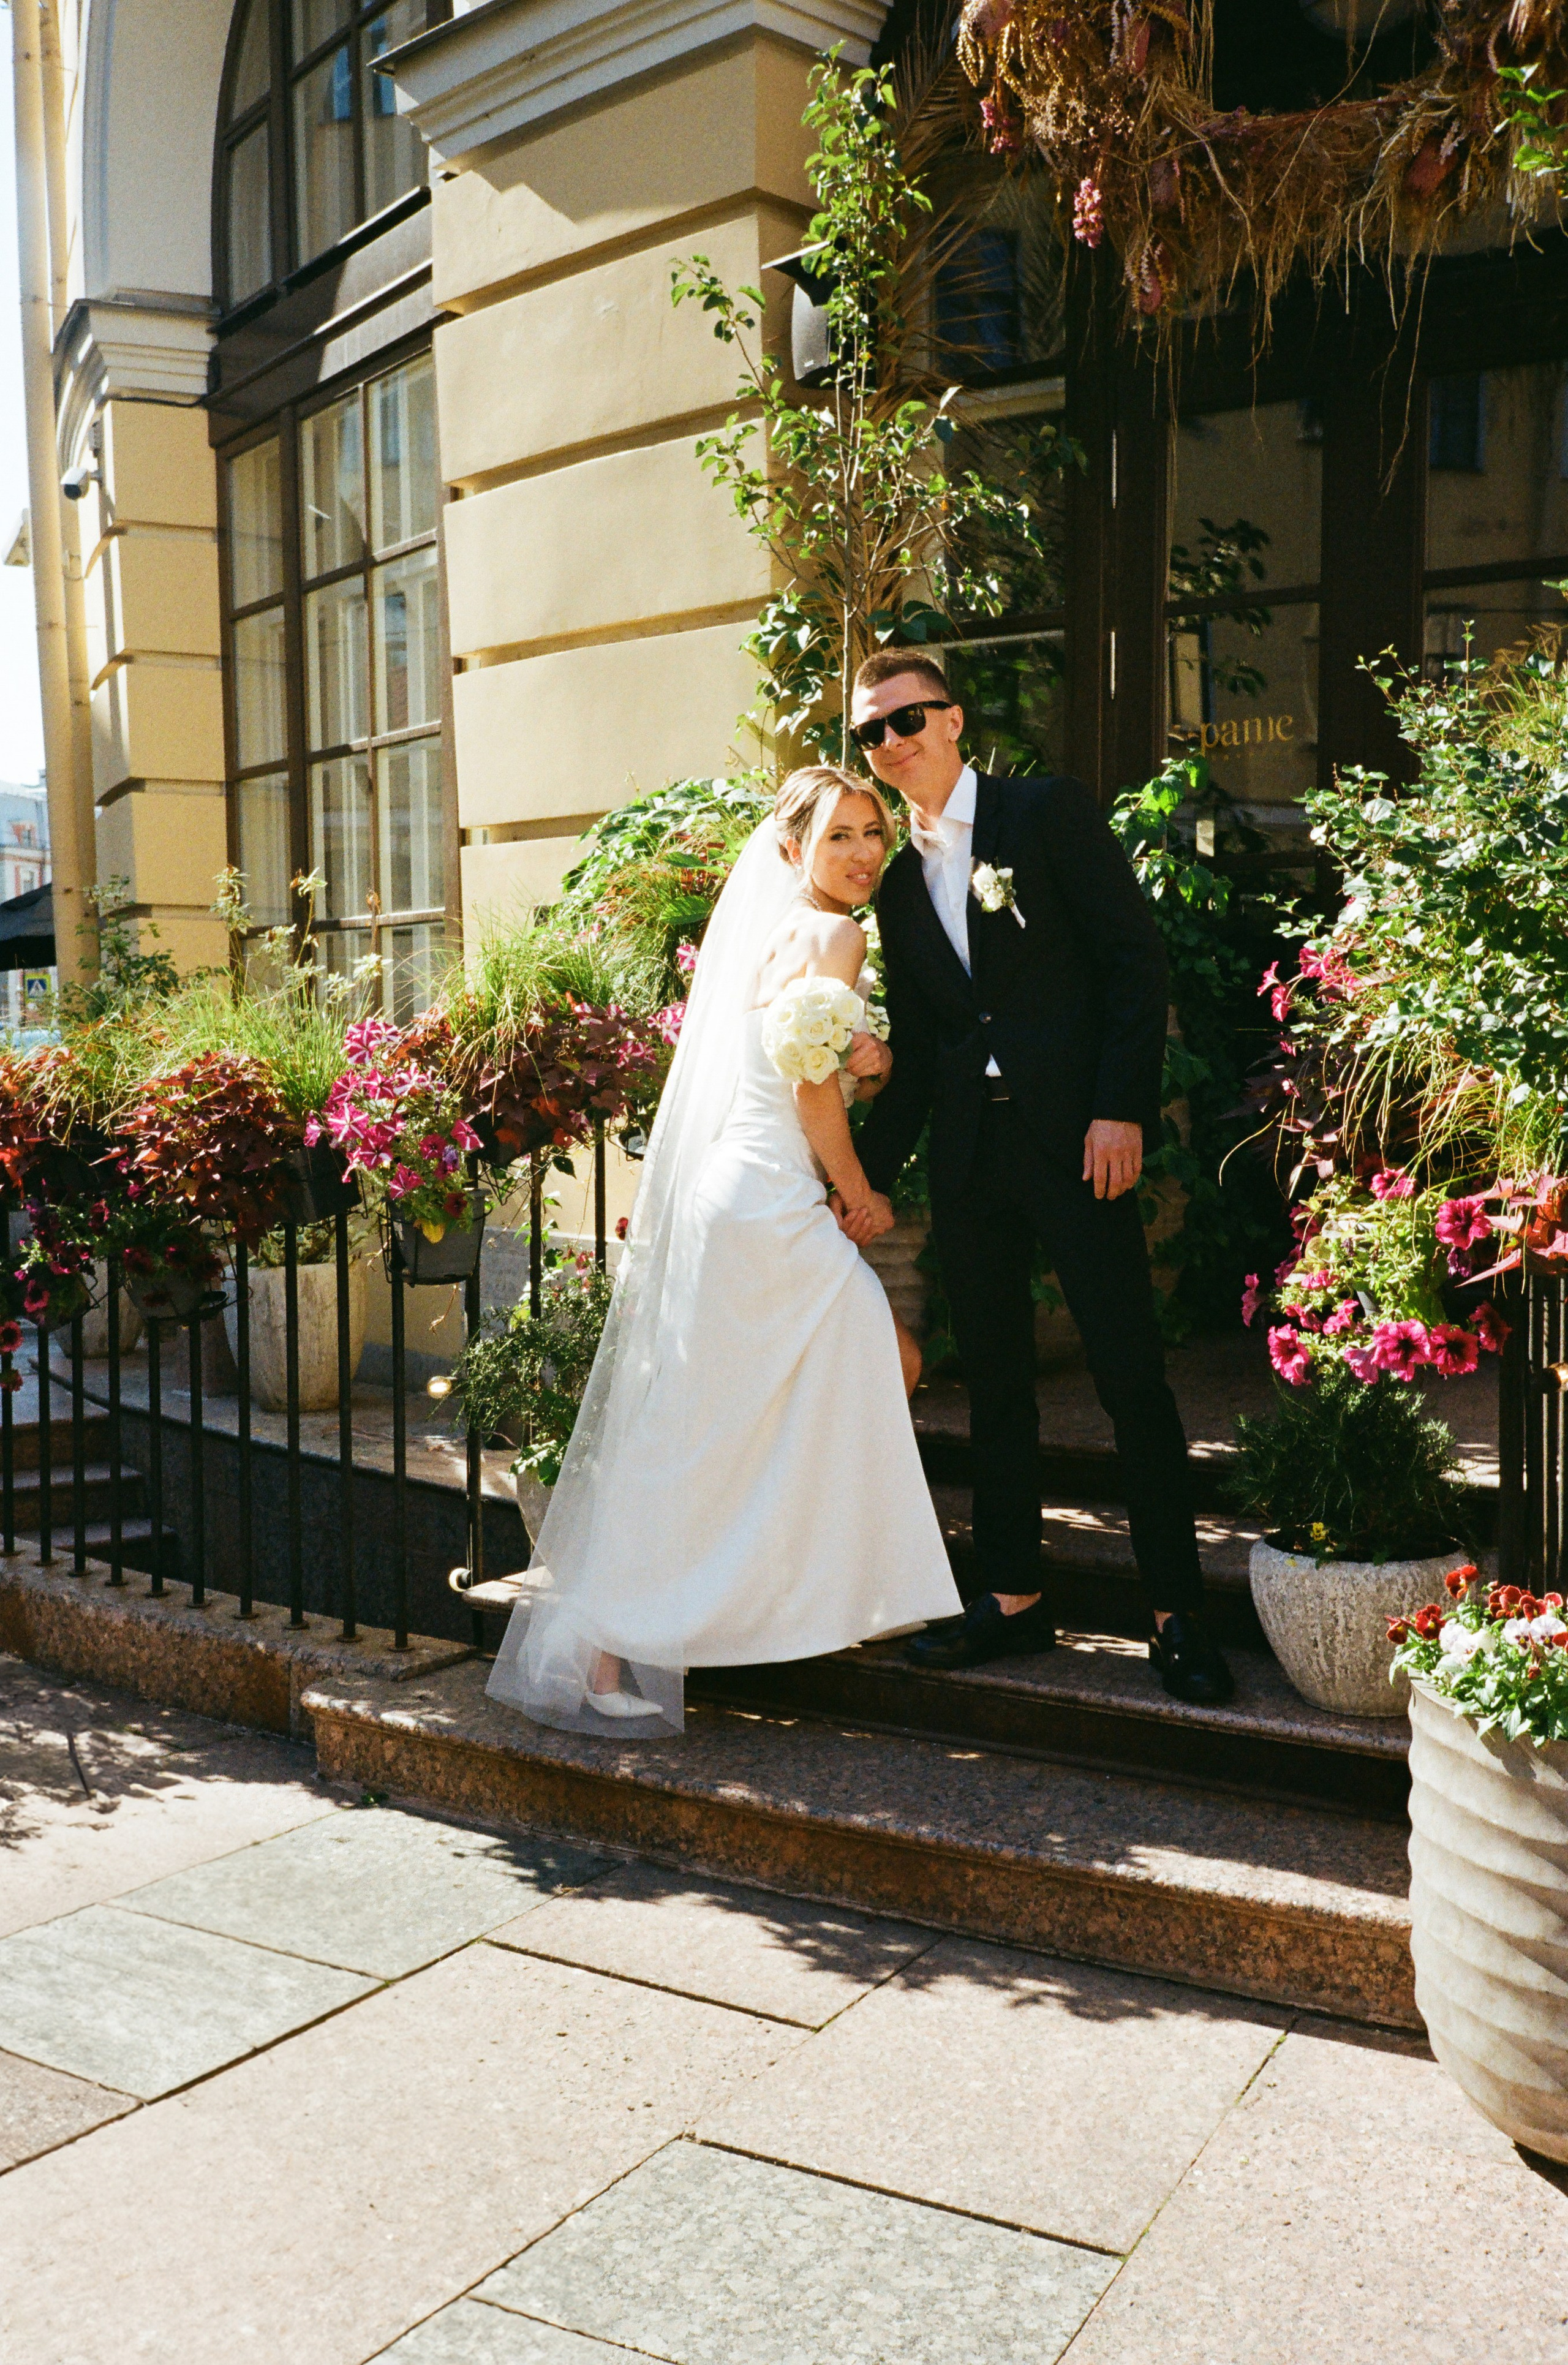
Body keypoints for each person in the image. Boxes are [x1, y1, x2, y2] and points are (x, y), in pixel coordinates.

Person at [486, 764, 962, 1735]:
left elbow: (808, 1060)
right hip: (770, 1202)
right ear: (793, 849)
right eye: (840, 835)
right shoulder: (833, 934)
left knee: (754, 1405)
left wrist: (873, 1064)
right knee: (843, 1375)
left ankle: (801, 1596)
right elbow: (806, 1086)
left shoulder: (777, 932)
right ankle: (625, 1635)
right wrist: (858, 1188)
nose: (866, 852)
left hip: (735, 1194)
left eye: (874, 832)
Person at [844, 649, 1234, 1707]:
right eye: (869, 733)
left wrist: (1121, 1109)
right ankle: (1014, 1600)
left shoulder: (1046, 813)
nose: (891, 743)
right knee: (998, 1386)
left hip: (1078, 1143)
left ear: (955, 720)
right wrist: (855, 1181)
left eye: (907, 718)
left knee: (1129, 1377)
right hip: (973, 1157)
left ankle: (1176, 1614)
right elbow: (923, 1054)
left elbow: (1130, 961)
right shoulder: (896, 884)